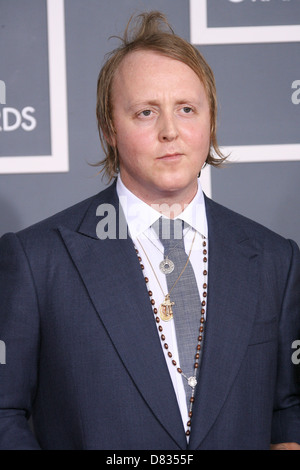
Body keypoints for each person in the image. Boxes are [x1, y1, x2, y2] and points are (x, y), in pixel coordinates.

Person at [0, 11, 299, 450]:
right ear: (109, 129)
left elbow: (288, 407)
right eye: (145, 112)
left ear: (210, 121)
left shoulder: (277, 260)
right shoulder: (37, 260)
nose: (170, 131)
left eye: (186, 109)